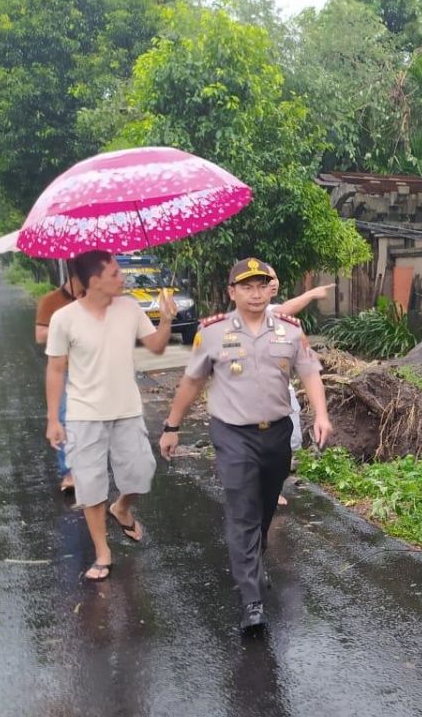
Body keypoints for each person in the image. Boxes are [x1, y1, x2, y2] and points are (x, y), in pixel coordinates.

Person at [159, 258, 332, 631]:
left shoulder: (290, 331)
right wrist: (172, 425)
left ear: (271, 289)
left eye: (261, 285)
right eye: (246, 286)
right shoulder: (213, 333)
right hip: (232, 433)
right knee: (242, 511)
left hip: (277, 434)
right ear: (232, 292)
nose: (255, 293)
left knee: (266, 505)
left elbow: (309, 373)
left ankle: (256, 556)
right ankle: (251, 600)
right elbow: (191, 383)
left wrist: (320, 414)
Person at [45, 250, 177, 582]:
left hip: (127, 410)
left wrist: (166, 319)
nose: (124, 278)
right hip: (84, 415)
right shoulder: (65, 318)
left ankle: (122, 508)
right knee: (90, 486)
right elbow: (56, 369)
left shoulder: (129, 308)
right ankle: (103, 552)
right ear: (94, 280)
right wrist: (53, 419)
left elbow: (158, 347)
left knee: (141, 472)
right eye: (116, 273)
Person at [264, 273, 334, 506]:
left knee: (291, 440)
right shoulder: (262, 312)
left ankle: (270, 487)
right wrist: (312, 293)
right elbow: (283, 309)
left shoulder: (282, 319)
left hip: (283, 389)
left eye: (274, 278)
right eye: (267, 279)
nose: (273, 282)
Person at [36, 269, 84, 495]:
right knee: (64, 417)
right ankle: (69, 471)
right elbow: (39, 335)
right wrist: (66, 323)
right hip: (64, 369)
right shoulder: (50, 301)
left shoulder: (95, 300)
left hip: (92, 369)